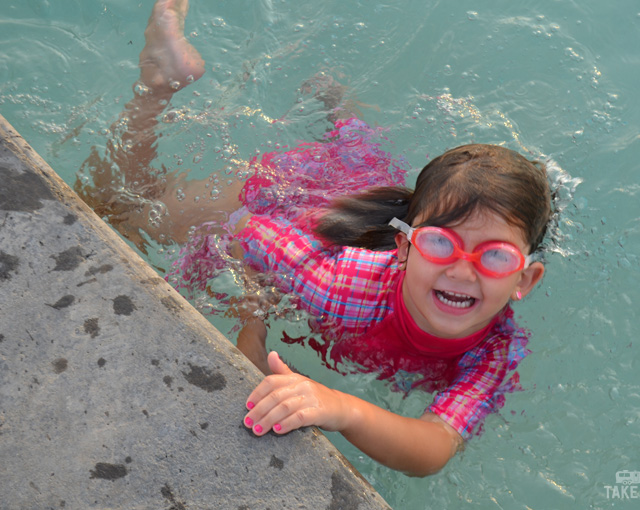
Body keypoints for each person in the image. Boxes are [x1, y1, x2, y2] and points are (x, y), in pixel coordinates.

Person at [77, 0, 553, 477]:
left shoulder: (494, 351)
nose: (462, 269)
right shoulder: (342, 287)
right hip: (305, 194)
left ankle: (340, 106)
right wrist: (251, 324)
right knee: (119, 211)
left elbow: (434, 447)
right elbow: (243, 234)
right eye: (439, 244)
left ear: (525, 279)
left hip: (363, 192)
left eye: (494, 255)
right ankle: (160, 82)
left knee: (360, 143)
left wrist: (344, 409)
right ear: (405, 247)